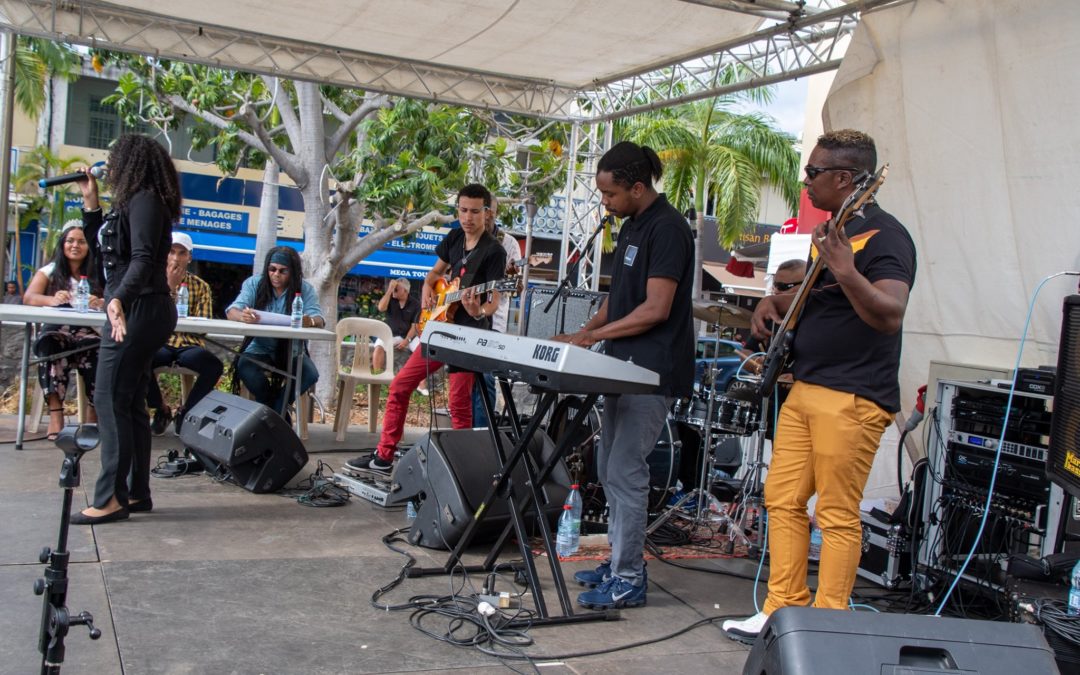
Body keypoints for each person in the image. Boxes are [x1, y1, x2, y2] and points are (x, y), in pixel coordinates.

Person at [723, 129, 916, 640]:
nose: (805, 181)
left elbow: (890, 313)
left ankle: (831, 625)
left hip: (853, 396)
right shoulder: (836, 229)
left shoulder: (886, 237)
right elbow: (819, 299)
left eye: (813, 173)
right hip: (807, 385)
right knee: (781, 499)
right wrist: (772, 302)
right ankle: (781, 608)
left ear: (845, 178)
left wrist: (848, 270)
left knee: (834, 512)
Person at [554, 141, 695, 609]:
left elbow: (655, 309)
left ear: (638, 187)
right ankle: (618, 563)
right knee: (610, 470)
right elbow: (622, 300)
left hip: (652, 372)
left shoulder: (669, 229)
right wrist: (583, 333)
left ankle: (630, 578)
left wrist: (592, 340)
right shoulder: (633, 227)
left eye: (610, 195)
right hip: (622, 367)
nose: (604, 204)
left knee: (625, 472)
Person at [346, 183, 506, 474]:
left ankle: (461, 471)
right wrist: (427, 298)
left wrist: (478, 309)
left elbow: (494, 300)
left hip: (467, 336)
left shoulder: (494, 252)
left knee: (459, 406)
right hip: (439, 327)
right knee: (400, 385)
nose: (467, 217)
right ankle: (384, 456)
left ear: (486, 213)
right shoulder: (455, 236)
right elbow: (433, 275)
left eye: (474, 212)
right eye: (462, 210)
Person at [72, 133, 181, 525]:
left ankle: (111, 498)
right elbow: (105, 252)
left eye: (114, 158)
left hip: (138, 307)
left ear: (132, 162)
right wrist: (90, 202)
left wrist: (119, 299)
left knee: (109, 398)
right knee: (130, 399)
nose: (109, 165)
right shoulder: (132, 203)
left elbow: (141, 259)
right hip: (134, 305)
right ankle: (135, 492)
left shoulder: (146, 200)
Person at [22, 220, 105, 439]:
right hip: (58, 331)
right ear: (63, 244)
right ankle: (56, 415)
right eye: (70, 241)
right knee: (50, 346)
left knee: (102, 350)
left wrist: (100, 302)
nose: (75, 246)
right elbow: (29, 297)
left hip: (89, 332)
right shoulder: (50, 271)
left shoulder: (99, 273)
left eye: (81, 241)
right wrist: (53, 299)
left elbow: (113, 301)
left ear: (90, 247)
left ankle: (92, 416)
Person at [225, 246, 324, 417]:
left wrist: (311, 321)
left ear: (293, 272)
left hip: (292, 349)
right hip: (259, 346)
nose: (276, 274)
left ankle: (275, 410)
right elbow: (231, 310)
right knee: (244, 366)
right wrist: (243, 316)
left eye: (282, 271)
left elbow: (319, 319)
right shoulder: (255, 283)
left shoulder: (304, 289)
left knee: (310, 374)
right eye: (272, 269)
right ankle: (276, 411)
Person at [146, 231, 224, 436]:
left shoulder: (200, 286)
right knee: (139, 357)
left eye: (182, 253)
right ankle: (160, 407)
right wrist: (170, 287)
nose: (176, 258)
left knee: (213, 365)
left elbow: (203, 325)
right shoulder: (151, 282)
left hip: (189, 343)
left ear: (189, 257)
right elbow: (150, 318)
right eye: (171, 252)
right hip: (159, 341)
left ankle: (186, 411)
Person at [471, 194, 520, 428]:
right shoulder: (465, 239)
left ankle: (481, 435)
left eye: (489, 209)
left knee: (487, 379)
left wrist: (506, 279)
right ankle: (462, 433)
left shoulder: (508, 243)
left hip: (494, 323)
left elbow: (516, 286)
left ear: (495, 212)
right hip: (464, 320)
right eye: (483, 209)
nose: (487, 214)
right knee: (465, 380)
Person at [372, 277, 419, 373]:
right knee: (379, 347)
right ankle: (377, 376)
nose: (394, 289)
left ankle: (421, 385)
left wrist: (407, 340)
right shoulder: (390, 299)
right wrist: (389, 290)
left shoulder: (415, 304)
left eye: (396, 288)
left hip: (408, 336)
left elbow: (414, 326)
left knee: (421, 352)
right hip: (391, 334)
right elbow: (381, 308)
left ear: (405, 290)